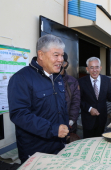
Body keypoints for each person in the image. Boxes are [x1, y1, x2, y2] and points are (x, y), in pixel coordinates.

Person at [8, 34, 69, 163]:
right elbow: (19, 114)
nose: (61, 60)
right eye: (56, 55)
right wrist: (52, 129)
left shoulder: (57, 78)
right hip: (36, 151)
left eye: (62, 55)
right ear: (41, 55)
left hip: (59, 146)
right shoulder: (21, 79)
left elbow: (61, 108)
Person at [78, 57, 111, 138]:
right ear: (87, 69)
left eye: (97, 67)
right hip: (88, 119)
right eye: (92, 67)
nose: (95, 70)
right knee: (88, 142)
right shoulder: (81, 82)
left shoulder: (106, 80)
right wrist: (89, 109)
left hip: (102, 118)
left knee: (100, 141)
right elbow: (78, 99)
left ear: (100, 68)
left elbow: (109, 94)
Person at [60, 52, 80, 142]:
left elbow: (76, 102)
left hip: (69, 125)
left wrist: (71, 120)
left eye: (61, 61)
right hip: (53, 126)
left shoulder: (72, 81)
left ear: (65, 64)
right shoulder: (49, 79)